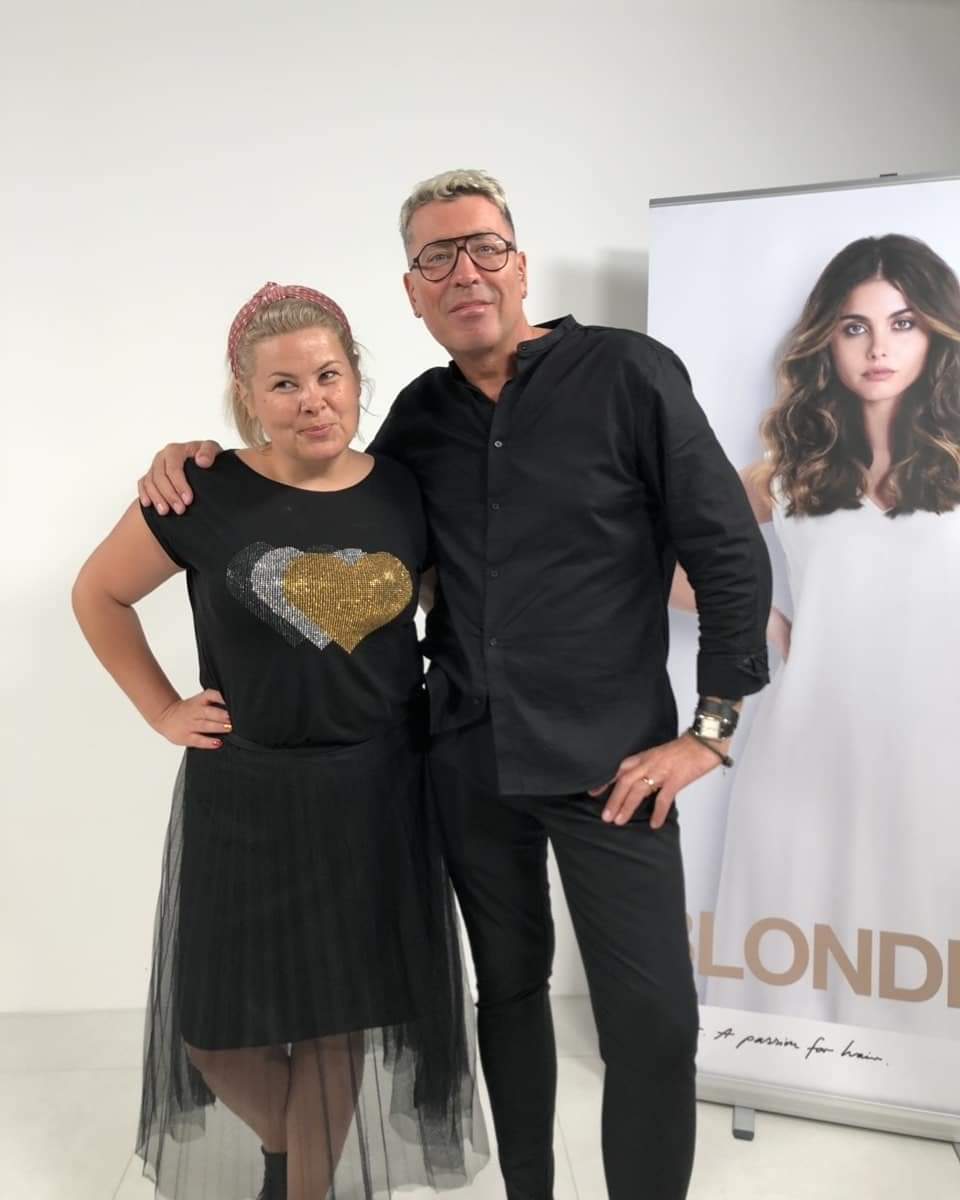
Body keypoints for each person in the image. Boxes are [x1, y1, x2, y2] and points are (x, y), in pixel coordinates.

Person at [138, 171, 773, 1200]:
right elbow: (338, 508)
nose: (464, 271)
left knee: (654, 1024)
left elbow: (728, 549)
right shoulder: (418, 422)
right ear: (412, 292)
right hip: (469, 761)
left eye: (484, 247)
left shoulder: (629, 374)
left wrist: (709, 729)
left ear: (520, 265)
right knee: (509, 996)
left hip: (617, 767)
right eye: (437, 257)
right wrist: (201, 458)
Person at [72, 282, 487, 1200]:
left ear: (356, 378)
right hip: (245, 795)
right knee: (214, 1038)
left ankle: (302, 1187)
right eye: (286, 384)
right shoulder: (199, 492)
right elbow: (97, 594)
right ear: (248, 396)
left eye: (329, 376)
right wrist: (161, 709)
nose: (313, 401)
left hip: (377, 791)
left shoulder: (404, 490)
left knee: (339, 1023)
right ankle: (295, 1156)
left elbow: (450, 602)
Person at [699, 234, 960, 1036]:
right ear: (827, 340)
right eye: (855, 327)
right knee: (797, 925)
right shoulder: (784, 473)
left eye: (903, 323)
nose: (879, 347)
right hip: (808, 738)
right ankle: (779, 1067)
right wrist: (763, 618)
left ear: (936, 333)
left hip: (937, 749)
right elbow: (671, 556)